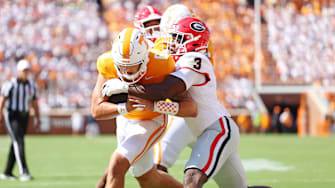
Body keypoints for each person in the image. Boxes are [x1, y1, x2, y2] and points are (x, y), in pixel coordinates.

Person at [105, 17, 248, 188]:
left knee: (192, 177)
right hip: (205, 131)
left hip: (218, 129)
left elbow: (165, 90)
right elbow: (186, 108)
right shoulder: (178, 62)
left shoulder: (195, 59)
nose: (171, 42)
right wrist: (156, 106)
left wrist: (125, 86)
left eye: (177, 38)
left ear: (194, 42)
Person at [91, 28, 197, 188]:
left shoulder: (162, 65)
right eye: (121, 66)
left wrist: (155, 105)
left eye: (131, 66)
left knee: (117, 164)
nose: (126, 73)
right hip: (125, 120)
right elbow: (96, 110)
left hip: (151, 120)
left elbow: (190, 108)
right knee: (147, 178)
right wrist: (123, 108)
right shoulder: (107, 63)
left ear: (144, 59)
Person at [0, 59, 40, 182]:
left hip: (25, 115)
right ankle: (24, 172)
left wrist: (38, 118)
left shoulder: (32, 85)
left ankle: (7, 172)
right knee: (19, 142)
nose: (26, 73)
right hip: (13, 115)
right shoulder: (11, 84)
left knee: (15, 143)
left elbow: (34, 103)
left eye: (27, 71)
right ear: (18, 71)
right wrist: (0, 114)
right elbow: (2, 100)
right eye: (24, 71)